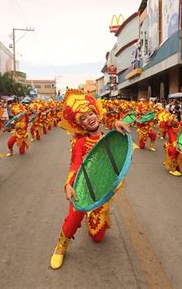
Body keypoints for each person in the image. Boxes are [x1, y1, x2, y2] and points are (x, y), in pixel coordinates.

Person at [50, 89, 129, 270]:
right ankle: (60, 246)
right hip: (83, 187)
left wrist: (116, 123)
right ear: (81, 124)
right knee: (74, 217)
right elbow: (75, 166)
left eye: (91, 113)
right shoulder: (80, 143)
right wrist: (69, 185)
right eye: (84, 118)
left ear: (96, 113)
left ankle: (92, 215)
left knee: (98, 237)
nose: (90, 118)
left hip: (100, 188)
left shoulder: (109, 137)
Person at [162, 113, 182, 177]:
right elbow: (173, 140)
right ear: (171, 123)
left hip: (178, 144)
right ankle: (172, 170)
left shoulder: (180, 124)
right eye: (173, 120)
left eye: (175, 118)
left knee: (180, 154)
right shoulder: (170, 130)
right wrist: (178, 147)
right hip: (171, 145)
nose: (175, 120)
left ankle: (176, 166)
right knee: (174, 151)